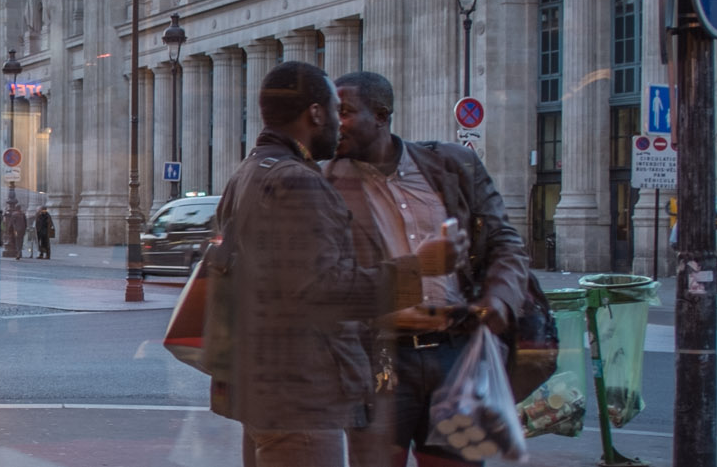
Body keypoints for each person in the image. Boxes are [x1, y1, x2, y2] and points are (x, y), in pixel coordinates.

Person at [211, 61, 464, 467]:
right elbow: (326, 291)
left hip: (260, 385)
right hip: (300, 394)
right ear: (315, 113)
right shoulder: (299, 181)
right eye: (334, 109)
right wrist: (420, 266)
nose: (338, 124)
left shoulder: (249, 172)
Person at [327, 72, 534, 467]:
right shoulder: (327, 183)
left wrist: (498, 302)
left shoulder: (452, 165)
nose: (336, 124)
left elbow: (506, 242)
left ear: (382, 115)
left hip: (457, 351)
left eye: (347, 112)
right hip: (380, 359)